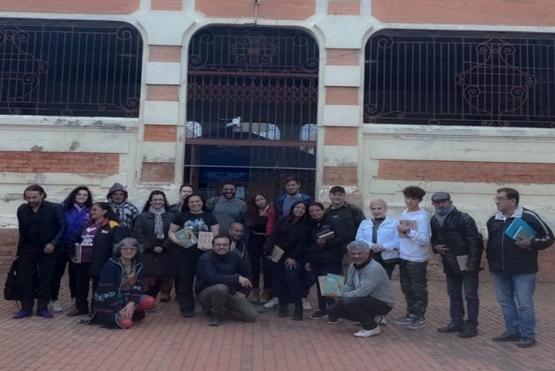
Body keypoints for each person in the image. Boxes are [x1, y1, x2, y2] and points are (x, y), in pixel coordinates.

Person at [487, 187, 554, 348]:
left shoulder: (528, 216)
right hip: (499, 269)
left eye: (501, 198)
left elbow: (549, 237)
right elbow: (491, 243)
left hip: (523, 270)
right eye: (496, 198)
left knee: (524, 303)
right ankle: (512, 331)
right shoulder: (493, 219)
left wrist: (531, 243)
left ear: (512, 201)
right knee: (505, 302)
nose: (497, 201)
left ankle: (528, 335)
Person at [430, 192, 483, 338]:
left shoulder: (464, 218)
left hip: (466, 261)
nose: (440, 205)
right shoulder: (434, 220)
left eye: (443, 202)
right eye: (437, 202)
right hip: (449, 261)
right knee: (453, 293)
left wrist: (471, 264)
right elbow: (433, 239)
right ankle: (456, 321)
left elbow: (475, 242)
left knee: (470, 295)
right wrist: (436, 247)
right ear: (433, 204)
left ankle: (471, 325)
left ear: (450, 202)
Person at [13, 185, 64, 319]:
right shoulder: (22, 209)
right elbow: (22, 230)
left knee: (46, 278)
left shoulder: (54, 208)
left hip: (48, 249)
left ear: (42, 195)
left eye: (34, 197)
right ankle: (26, 308)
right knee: (25, 277)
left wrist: (53, 243)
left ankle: (42, 307)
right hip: (28, 248)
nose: (31, 200)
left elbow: (63, 227)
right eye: (28, 197)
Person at [68, 202, 127, 316]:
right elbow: (77, 239)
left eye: (95, 210)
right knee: (80, 286)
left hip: (100, 261)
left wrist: (113, 261)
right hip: (82, 261)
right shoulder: (87, 224)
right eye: (92, 210)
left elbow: (117, 245)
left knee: (98, 286)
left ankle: (96, 310)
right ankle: (81, 308)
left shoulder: (113, 225)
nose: (92, 212)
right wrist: (73, 253)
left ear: (104, 211)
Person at [326, 240, 394, 338]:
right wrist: (337, 291)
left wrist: (340, 294)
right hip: (364, 299)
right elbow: (349, 285)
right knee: (331, 310)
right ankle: (370, 318)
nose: (356, 256)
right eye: (353, 253)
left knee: (350, 302)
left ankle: (371, 327)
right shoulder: (352, 266)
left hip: (382, 302)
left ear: (367, 253)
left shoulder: (374, 268)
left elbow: (363, 292)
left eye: (359, 253)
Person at [168, 194, 219, 318]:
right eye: (191, 202)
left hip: (205, 254)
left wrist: (211, 245)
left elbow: (215, 233)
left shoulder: (210, 216)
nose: (195, 204)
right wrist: (177, 241)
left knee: (205, 281)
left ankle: (208, 306)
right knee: (185, 281)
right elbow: (171, 232)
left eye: (198, 201)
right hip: (184, 254)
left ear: (202, 202)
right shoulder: (181, 216)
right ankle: (187, 308)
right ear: (187, 203)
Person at [91, 238, 155, 329]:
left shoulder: (138, 266)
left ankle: (130, 313)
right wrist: (119, 309)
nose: (129, 251)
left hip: (127, 299)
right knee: (127, 324)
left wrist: (131, 304)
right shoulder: (110, 265)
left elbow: (138, 286)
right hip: (109, 301)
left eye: (133, 248)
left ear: (137, 251)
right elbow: (107, 291)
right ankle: (114, 316)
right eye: (125, 248)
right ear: (119, 250)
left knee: (149, 301)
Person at [264, 200, 312, 320]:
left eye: (302, 209)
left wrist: (293, 257)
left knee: (292, 278)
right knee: (279, 280)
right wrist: (267, 249)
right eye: (297, 207)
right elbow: (274, 234)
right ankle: (283, 306)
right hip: (278, 254)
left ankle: (298, 307)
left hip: (295, 257)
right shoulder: (283, 219)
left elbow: (303, 243)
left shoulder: (307, 224)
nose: (299, 210)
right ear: (293, 208)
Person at [196, 235, 258, 326]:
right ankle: (216, 315)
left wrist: (244, 292)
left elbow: (247, 276)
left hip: (230, 292)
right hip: (206, 293)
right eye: (218, 245)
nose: (222, 247)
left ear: (230, 246)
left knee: (251, 316)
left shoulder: (235, 256)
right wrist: (236, 278)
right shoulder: (205, 258)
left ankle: (222, 308)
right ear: (213, 246)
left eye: (225, 245)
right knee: (221, 288)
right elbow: (212, 278)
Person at [393, 186, 431, 330]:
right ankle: (411, 314)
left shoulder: (422, 216)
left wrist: (409, 231)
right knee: (406, 287)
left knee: (418, 289)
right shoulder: (405, 212)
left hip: (417, 258)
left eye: (413, 199)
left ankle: (420, 317)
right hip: (404, 255)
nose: (409, 201)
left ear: (419, 200)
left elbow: (424, 239)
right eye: (407, 198)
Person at [51, 186, 93, 313]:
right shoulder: (64, 208)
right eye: (79, 194)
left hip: (78, 246)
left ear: (88, 197)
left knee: (75, 275)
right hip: (61, 244)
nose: (81, 197)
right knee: (56, 273)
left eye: (85, 195)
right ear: (74, 195)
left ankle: (75, 300)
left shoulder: (90, 211)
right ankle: (53, 300)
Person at [133, 190, 175, 301]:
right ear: (150, 202)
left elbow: (174, 232)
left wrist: (164, 246)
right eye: (155, 199)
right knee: (148, 277)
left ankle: (164, 294)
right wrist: (151, 247)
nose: (158, 202)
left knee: (165, 275)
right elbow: (138, 233)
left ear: (164, 201)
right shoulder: (142, 217)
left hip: (166, 250)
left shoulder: (171, 217)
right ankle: (148, 299)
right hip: (147, 252)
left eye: (160, 199)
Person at [305, 202, 344, 319]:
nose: (314, 213)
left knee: (332, 285)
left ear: (323, 210)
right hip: (316, 259)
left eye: (317, 210)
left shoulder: (333, 221)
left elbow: (342, 237)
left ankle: (335, 312)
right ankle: (322, 309)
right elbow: (308, 242)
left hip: (332, 258)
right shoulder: (311, 224)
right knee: (320, 284)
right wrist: (308, 259)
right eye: (311, 211)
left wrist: (327, 243)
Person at [355, 199, 400, 279]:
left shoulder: (394, 223)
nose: (376, 211)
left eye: (379, 208)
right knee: (368, 281)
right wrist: (371, 246)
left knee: (383, 283)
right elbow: (358, 239)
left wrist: (383, 246)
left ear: (385, 209)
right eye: (373, 209)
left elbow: (398, 241)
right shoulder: (364, 223)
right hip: (368, 257)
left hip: (386, 258)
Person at [245, 193, 275, 303]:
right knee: (254, 266)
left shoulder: (272, 211)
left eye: (262, 199)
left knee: (267, 266)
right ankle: (255, 290)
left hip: (267, 241)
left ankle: (267, 290)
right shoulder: (251, 213)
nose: (260, 201)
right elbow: (249, 224)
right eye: (257, 200)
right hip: (254, 240)